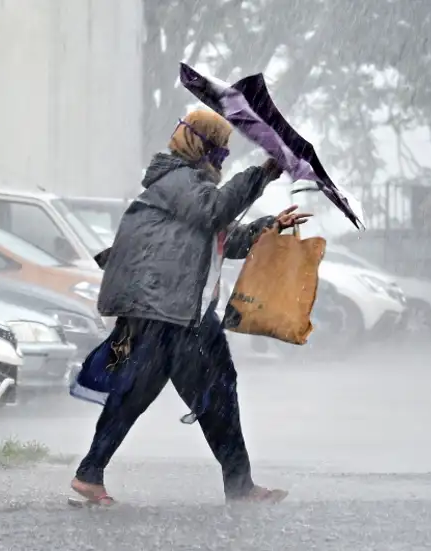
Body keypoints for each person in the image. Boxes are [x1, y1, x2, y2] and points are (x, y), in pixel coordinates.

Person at [70, 109, 311, 505]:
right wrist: (264, 172)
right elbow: (215, 212)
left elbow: (224, 240)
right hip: (171, 313)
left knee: (148, 394)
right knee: (208, 395)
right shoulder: (179, 180)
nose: (223, 160)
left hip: (177, 313)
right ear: (202, 145)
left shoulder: (190, 188)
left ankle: (90, 474)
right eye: (220, 151)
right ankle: (238, 486)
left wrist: (270, 227)